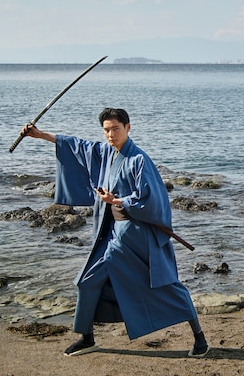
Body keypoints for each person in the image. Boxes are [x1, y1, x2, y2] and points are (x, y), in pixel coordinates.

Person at [21, 108, 209, 358]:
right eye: (106, 130)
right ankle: (87, 339)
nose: (111, 134)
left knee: (167, 287)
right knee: (87, 282)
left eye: (116, 129)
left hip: (135, 235)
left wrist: (118, 200)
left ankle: (200, 339)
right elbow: (78, 145)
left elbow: (151, 198)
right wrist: (40, 135)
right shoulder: (106, 153)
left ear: (128, 128)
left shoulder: (139, 160)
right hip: (111, 234)